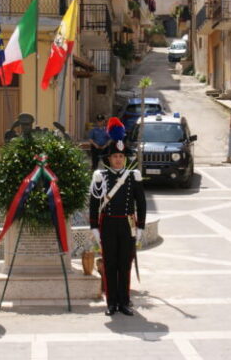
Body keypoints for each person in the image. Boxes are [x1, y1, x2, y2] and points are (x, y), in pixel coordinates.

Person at [90, 117, 146, 316]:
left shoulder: (133, 177)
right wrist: (94, 228)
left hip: (127, 224)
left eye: (121, 157)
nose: (118, 160)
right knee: (110, 263)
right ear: (109, 159)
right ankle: (111, 302)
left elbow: (142, 203)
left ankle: (124, 301)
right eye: (114, 157)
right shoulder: (101, 177)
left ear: (125, 158)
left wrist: (140, 227)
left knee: (125, 263)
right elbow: (94, 203)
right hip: (108, 225)